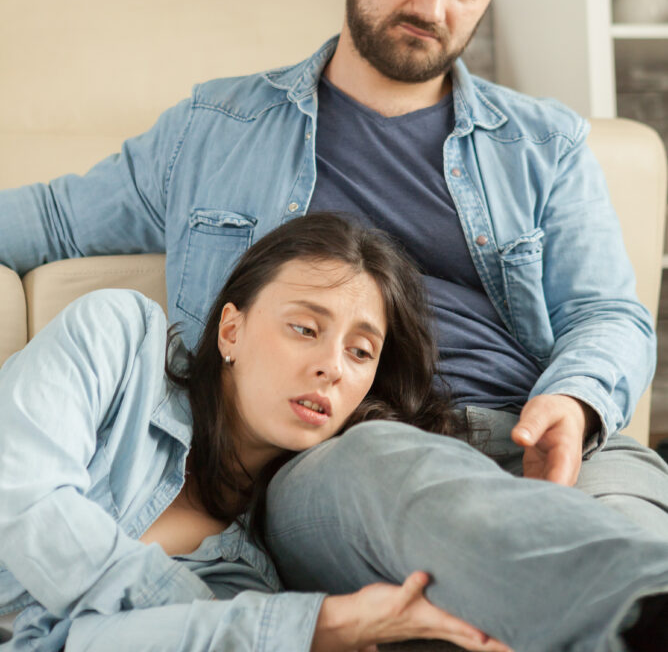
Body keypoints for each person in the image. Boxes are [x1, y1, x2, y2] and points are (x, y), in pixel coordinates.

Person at [1, 0, 668, 647]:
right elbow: (53, 220)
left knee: (630, 534)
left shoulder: (544, 145)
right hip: (359, 459)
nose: (432, 3)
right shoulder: (216, 132)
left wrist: (577, 400)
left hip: (548, 437)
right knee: (406, 476)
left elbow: (609, 314)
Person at [0, 213, 511, 652]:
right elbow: (23, 501)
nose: (332, 367)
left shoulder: (253, 572)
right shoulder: (119, 338)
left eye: (360, 352)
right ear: (231, 330)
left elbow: (85, 644)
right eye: (305, 329)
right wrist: (252, 624)